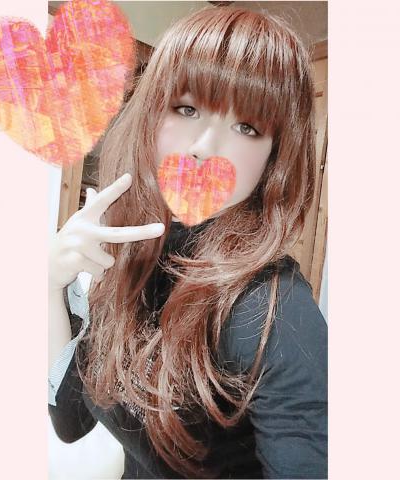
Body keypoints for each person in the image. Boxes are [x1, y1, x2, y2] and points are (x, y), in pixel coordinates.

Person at [48, 5, 327, 479]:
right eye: (187, 109)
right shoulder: (132, 252)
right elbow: (71, 420)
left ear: (273, 159)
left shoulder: (269, 309)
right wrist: (50, 284)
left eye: (247, 127)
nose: (204, 149)